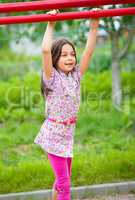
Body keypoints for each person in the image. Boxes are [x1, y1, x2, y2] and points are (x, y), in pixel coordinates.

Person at [34, 9, 100, 200]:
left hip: (67, 134)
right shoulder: (51, 78)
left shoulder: (76, 76)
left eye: (72, 54)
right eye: (64, 55)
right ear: (55, 59)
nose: (70, 58)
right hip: (54, 135)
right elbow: (45, 50)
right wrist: (51, 23)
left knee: (62, 179)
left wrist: (94, 25)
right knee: (65, 184)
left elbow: (88, 51)